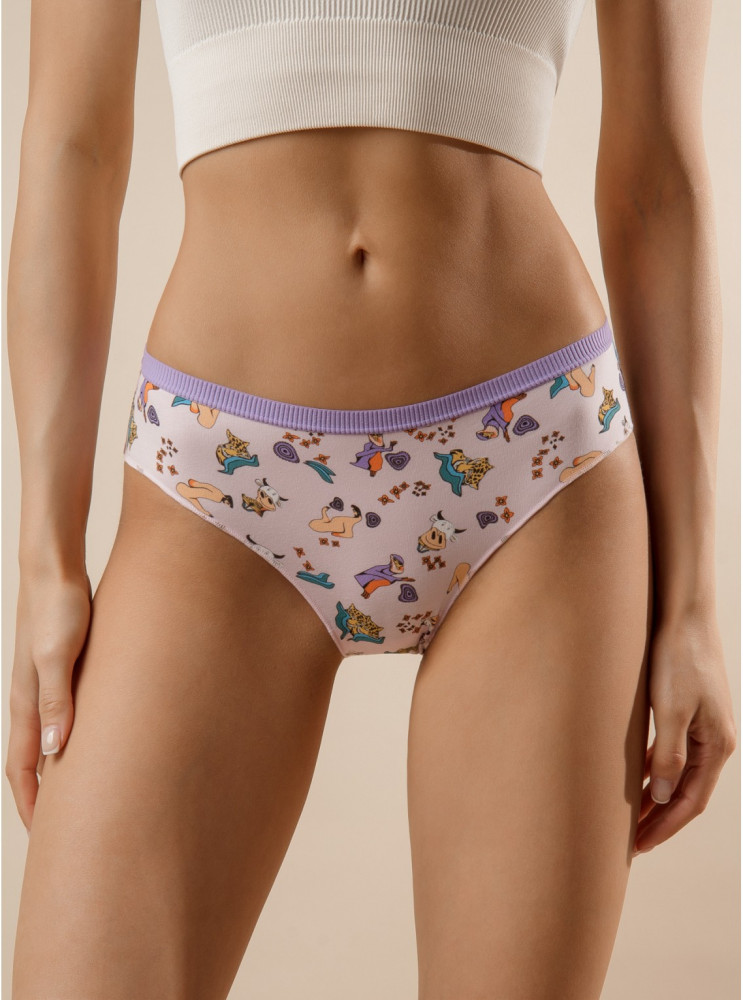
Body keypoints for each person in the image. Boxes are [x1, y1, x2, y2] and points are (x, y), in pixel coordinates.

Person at [6, 1, 736, 996]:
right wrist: (44, 561)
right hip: (218, 484)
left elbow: (660, 180)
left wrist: (691, 603)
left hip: (533, 468)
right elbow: (70, 147)